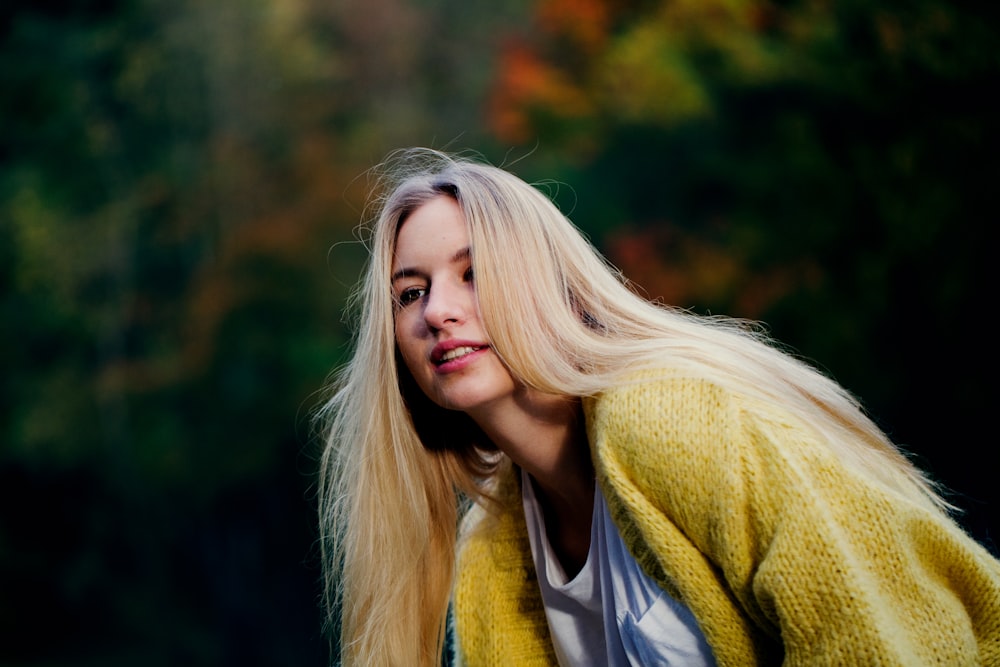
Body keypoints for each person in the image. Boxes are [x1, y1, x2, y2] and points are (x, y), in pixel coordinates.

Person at [317, 148, 1000, 666]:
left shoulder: (664, 417)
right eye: (410, 292)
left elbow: (877, 630)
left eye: (474, 273)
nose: (438, 312)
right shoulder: (492, 556)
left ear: (548, 285)